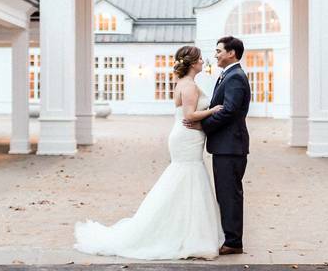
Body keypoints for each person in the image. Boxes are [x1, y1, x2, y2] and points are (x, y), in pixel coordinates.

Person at [74, 45, 224, 260]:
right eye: (200, 59)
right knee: (188, 178)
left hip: (186, 135)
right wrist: (213, 110)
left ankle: (187, 230)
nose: (203, 62)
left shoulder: (185, 83)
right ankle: (187, 234)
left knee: (185, 179)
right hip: (188, 136)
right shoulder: (189, 85)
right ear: (192, 63)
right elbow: (189, 115)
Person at [184, 35, 250, 255]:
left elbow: (229, 110)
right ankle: (230, 237)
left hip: (231, 146)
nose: (215, 55)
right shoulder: (228, 76)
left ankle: (233, 242)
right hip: (226, 146)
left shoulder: (235, 77)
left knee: (229, 194)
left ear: (231, 53)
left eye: (219, 51)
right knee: (225, 193)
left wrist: (203, 125)